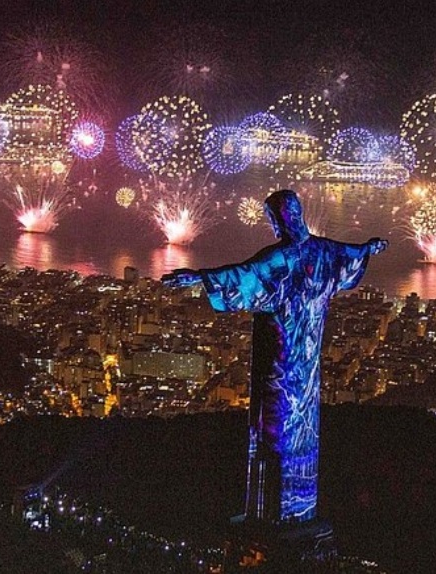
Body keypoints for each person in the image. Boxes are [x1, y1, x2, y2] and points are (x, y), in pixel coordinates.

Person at [162, 189, 386, 525]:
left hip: (279, 359)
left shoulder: (279, 260)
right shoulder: (325, 252)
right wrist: (370, 248)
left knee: (274, 427)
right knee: (303, 427)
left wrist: (199, 277)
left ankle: (272, 515)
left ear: (280, 218)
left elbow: (242, 276)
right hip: (308, 362)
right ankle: (300, 508)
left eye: (271, 218)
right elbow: (351, 256)